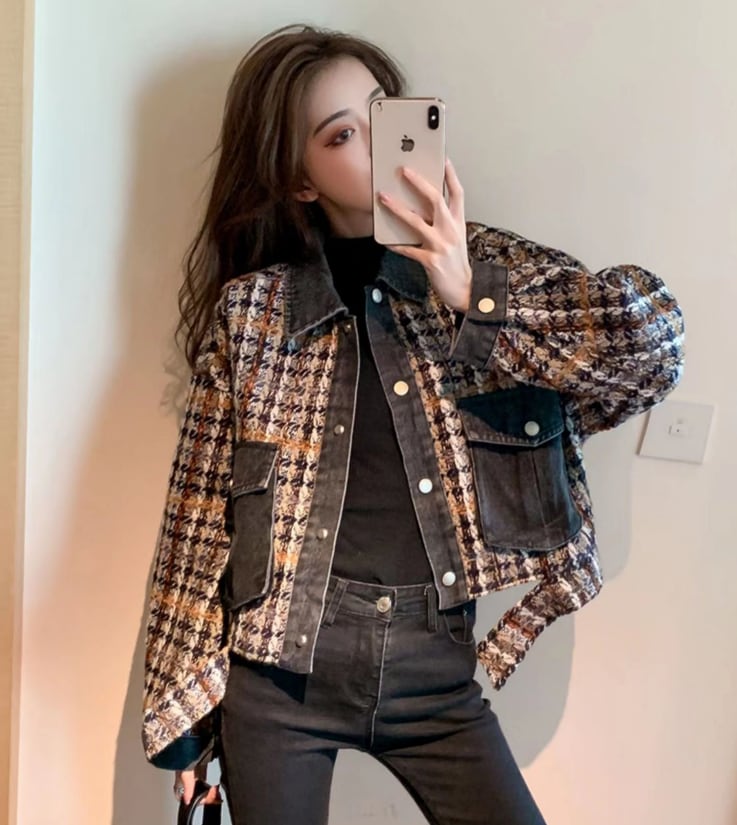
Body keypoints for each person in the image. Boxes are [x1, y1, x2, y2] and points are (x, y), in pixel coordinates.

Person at [141, 22, 685, 825]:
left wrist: (476, 297)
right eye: (342, 134)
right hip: (279, 676)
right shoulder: (251, 312)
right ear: (298, 180)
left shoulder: (490, 269)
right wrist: (187, 724)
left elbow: (653, 350)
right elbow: (197, 521)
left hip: (436, 675)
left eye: (384, 113)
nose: (378, 144)